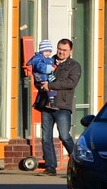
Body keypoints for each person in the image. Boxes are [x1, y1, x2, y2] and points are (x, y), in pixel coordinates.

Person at [33, 38, 82, 175]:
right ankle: (50, 167)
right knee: (46, 138)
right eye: (59, 49)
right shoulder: (47, 61)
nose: (61, 52)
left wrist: (51, 85)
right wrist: (41, 85)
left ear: (70, 51)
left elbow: (70, 83)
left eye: (64, 50)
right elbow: (38, 76)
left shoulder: (74, 66)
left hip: (62, 106)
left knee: (64, 136)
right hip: (46, 105)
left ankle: (78, 164)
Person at [26, 39, 58, 107]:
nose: (48, 53)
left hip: (47, 76)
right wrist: (50, 68)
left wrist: (53, 66)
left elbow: (50, 64)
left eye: (50, 51)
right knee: (50, 86)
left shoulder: (48, 59)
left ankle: (38, 103)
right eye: (46, 51)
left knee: (55, 83)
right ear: (41, 51)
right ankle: (51, 101)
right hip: (40, 77)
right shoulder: (38, 58)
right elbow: (40, 67)